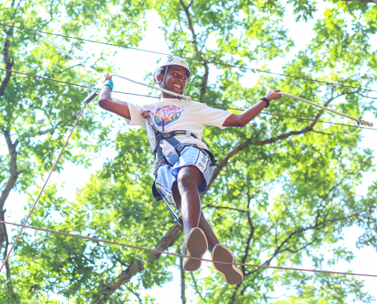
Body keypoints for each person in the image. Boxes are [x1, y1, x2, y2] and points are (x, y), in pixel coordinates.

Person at [98, 55, 282, 285]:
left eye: (184, 77)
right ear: (159, 77)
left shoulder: (194, 107)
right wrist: (107, 83)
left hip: (191, 150)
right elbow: (105, 102)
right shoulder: (145, 108)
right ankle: (217, 253)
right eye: (175, 74)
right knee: (189, 210)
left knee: (186, 179)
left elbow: (239, 120)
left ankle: (189, 241)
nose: (181, 80)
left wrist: (266, 99)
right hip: (164, 164)